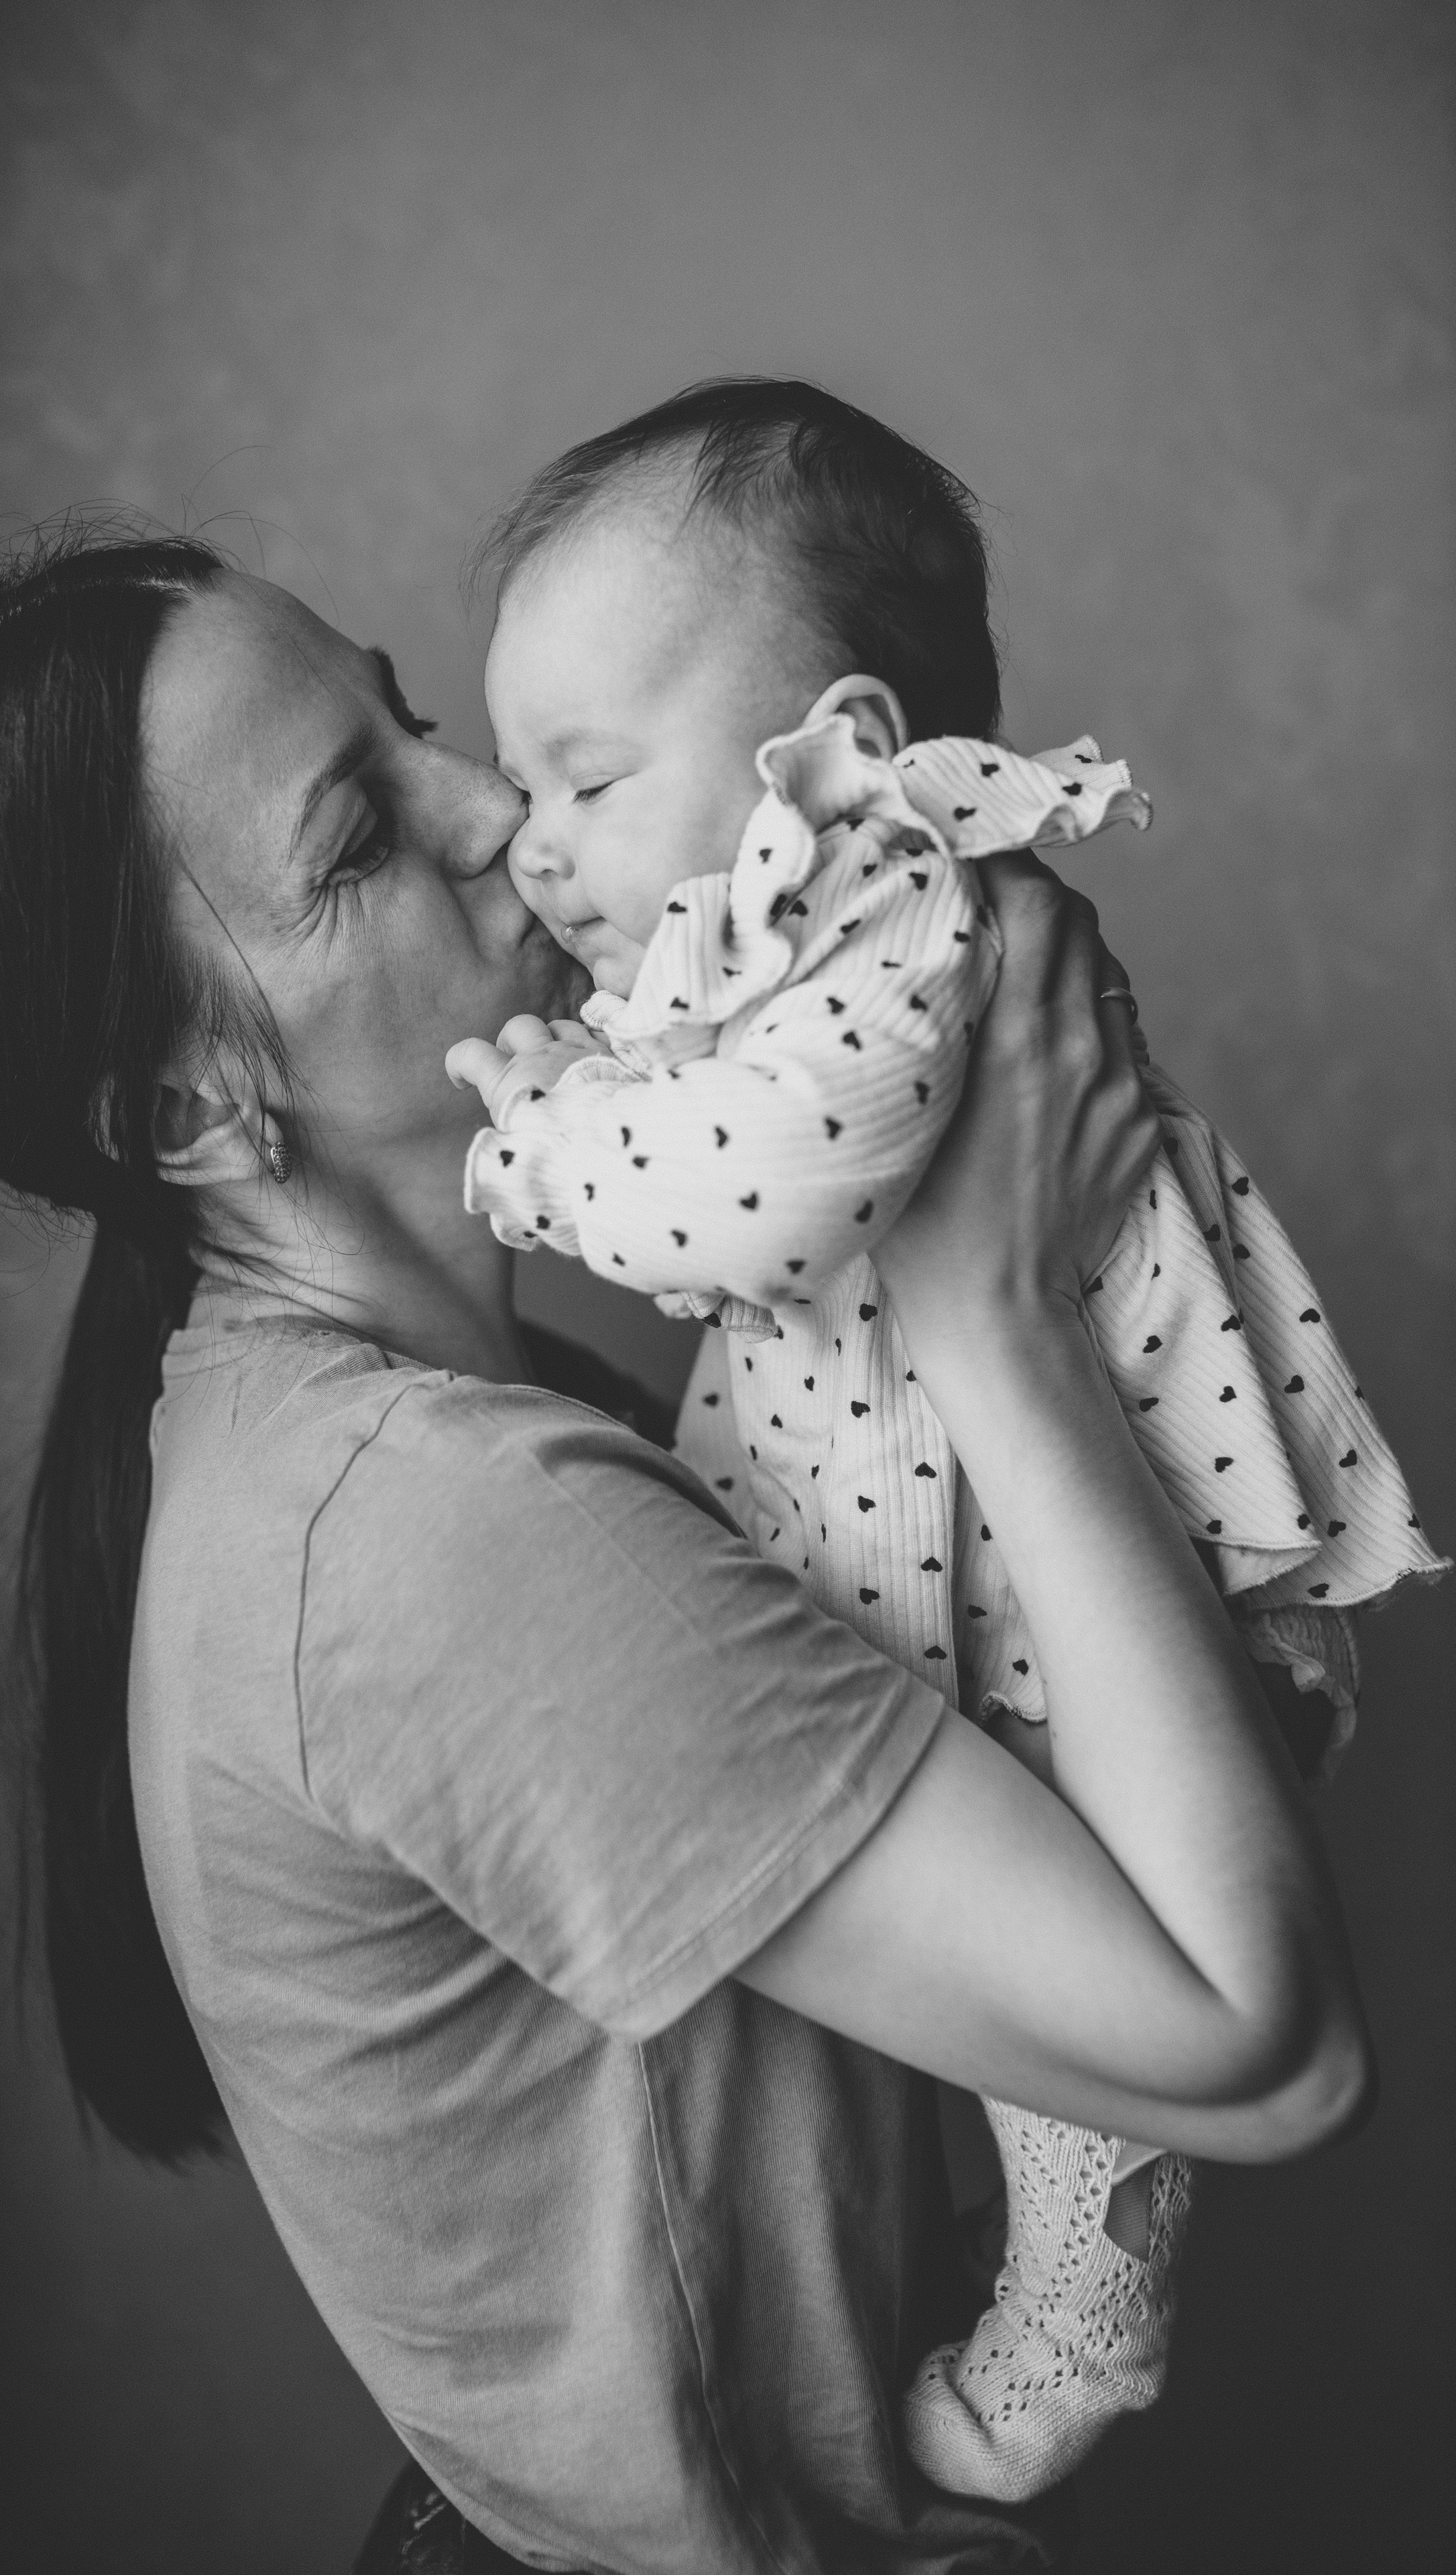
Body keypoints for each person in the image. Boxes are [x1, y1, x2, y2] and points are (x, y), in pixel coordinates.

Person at [0, 527, 1373, 2574]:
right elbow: (1264, 2056)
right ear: (194, 1112)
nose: (494, 808)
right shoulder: (445, 1539)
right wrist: (998, 1316)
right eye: (363, 835)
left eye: (412, 716)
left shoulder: (516, 1421)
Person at [448, 382, 1442, 2500]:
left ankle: (1080, 2328)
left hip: (1112, 1612)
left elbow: (737, 1200)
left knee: (1103, 2053)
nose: (528, 842)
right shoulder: (761, 970)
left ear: (840, 751)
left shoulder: (910, 917)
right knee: (1006, 2024)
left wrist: (541, 1145)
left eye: (588, 777)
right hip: (967, 1591)